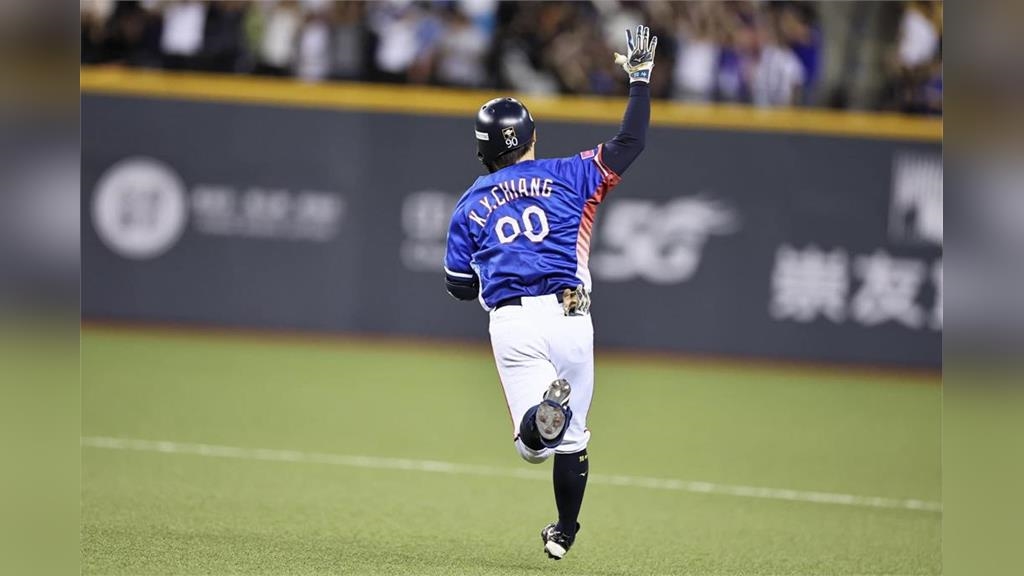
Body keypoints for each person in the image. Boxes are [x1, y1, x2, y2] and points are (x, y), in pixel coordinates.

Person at [442, 25, 656, 560]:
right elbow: (631, 142)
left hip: (515, 322)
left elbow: (459, 286)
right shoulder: (572, 175)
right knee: (574, 439)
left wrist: (493, 270)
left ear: (483, 152)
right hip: (571, 316)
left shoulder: (470, 204)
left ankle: (543, 415)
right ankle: (564, 532)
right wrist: (639, 79)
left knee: (532, 449)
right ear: (531, 137)